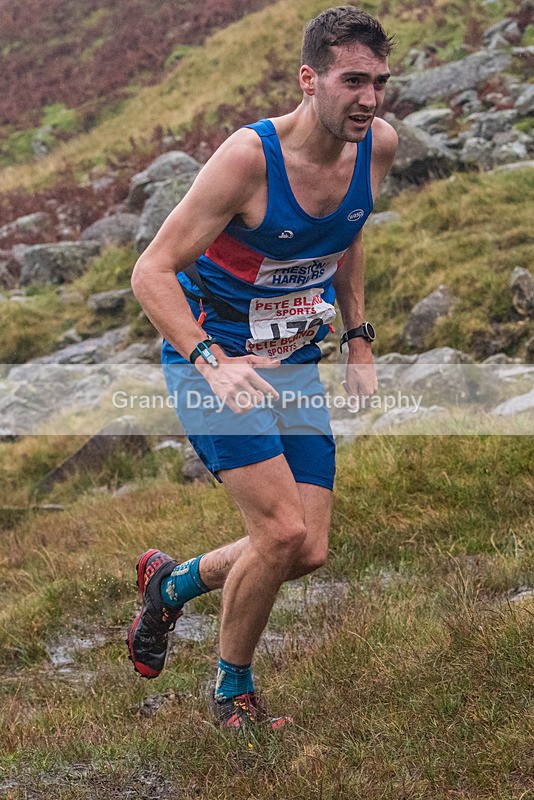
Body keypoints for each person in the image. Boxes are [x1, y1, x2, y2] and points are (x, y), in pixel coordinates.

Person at [127, 5, 397, 731]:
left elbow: (348, 231)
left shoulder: (377, 146)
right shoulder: (249, 160)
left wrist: (358, 338)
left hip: (292, 358)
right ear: (309, 80)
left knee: (307, 548)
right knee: (278, 532)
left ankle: (170, 585)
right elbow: (150, 272)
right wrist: (210, 362)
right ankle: (232, 694)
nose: (368, 98)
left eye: (379, 82)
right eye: (352, 81)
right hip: (215, 354)